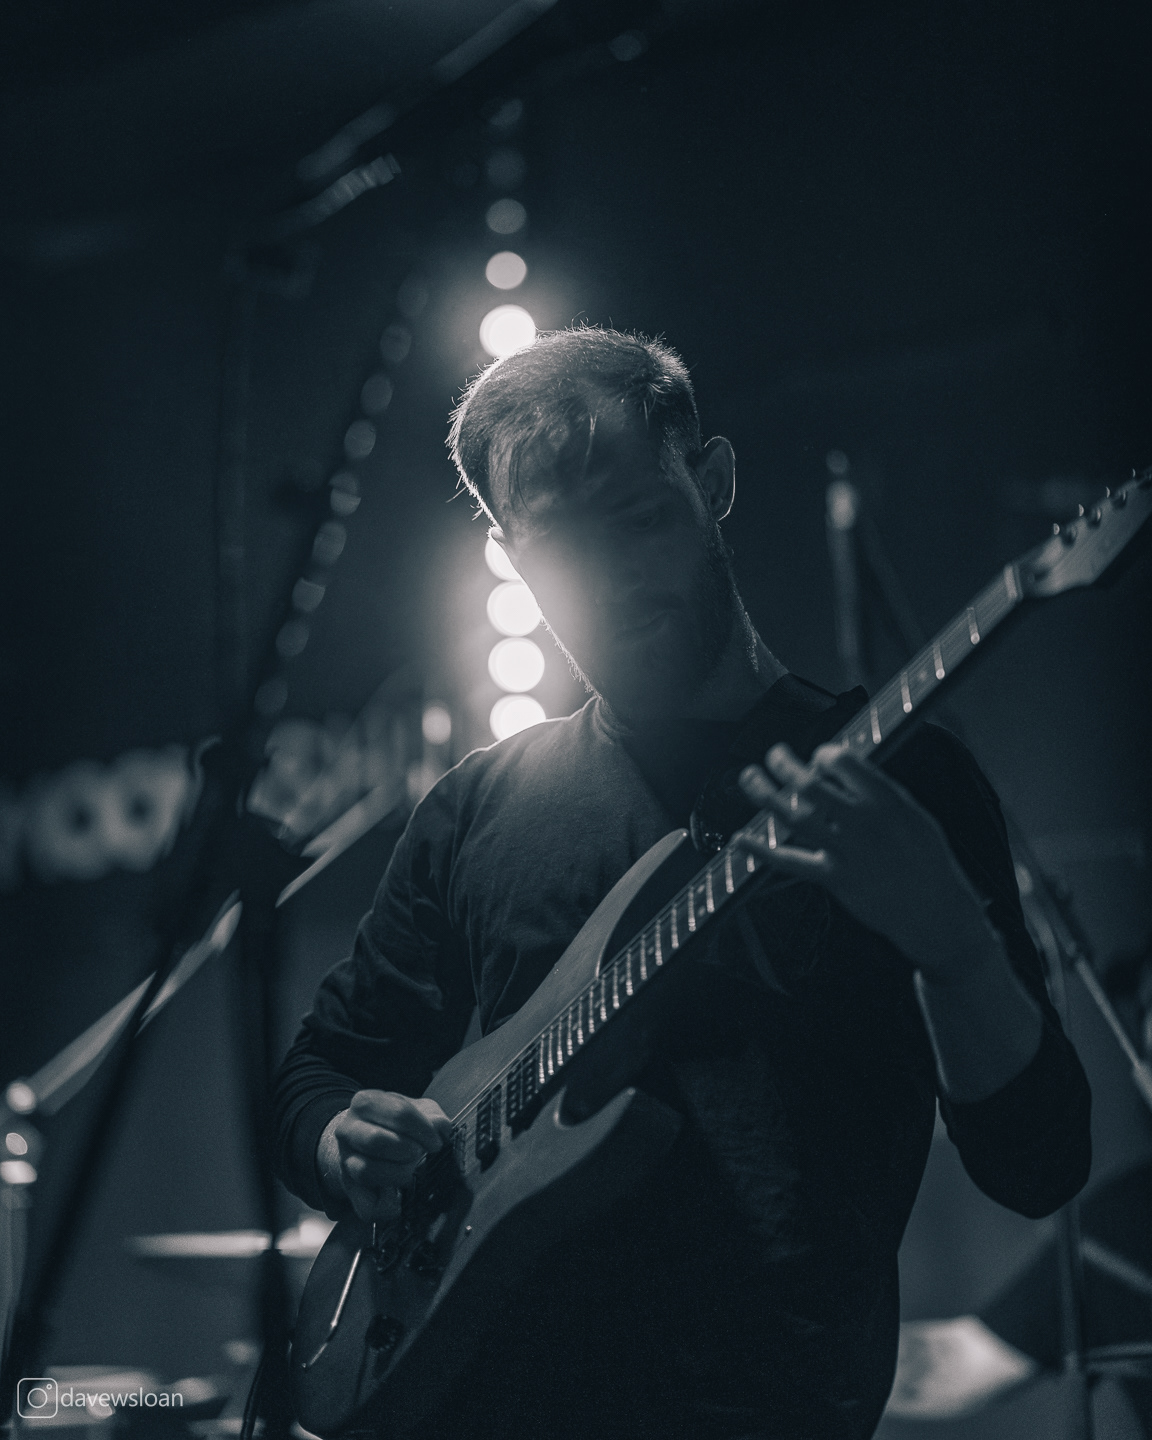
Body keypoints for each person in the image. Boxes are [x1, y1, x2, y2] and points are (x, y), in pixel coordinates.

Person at [273, 327, 1091, 1440]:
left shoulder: (897, 779)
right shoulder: (476, 807)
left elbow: (1041, 1162)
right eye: (561, 546)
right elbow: (317, 1072)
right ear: (509, 557)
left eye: (640, 517)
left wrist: (953, 942)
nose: (612, 578)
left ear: (713, 481)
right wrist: (342, 1141)